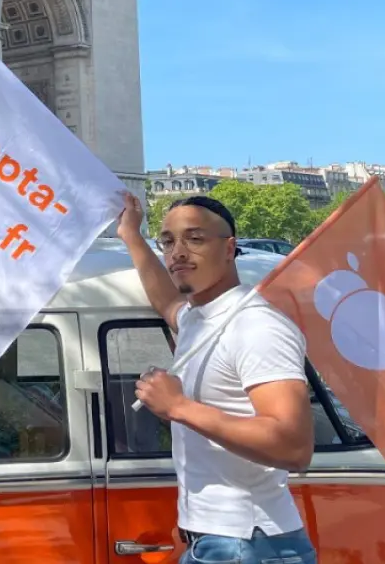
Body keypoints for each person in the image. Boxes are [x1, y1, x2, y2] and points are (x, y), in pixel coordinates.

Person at [118, 192, 317, 564]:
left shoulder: (257, 325)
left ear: (230, 248)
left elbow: (294, 447)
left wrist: (178, 407)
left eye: (194, 239)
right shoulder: (200, 317)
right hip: (218, 541)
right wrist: (131, 235)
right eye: (168, 240)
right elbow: (166, 301)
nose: (177, 252)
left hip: (250, 543)